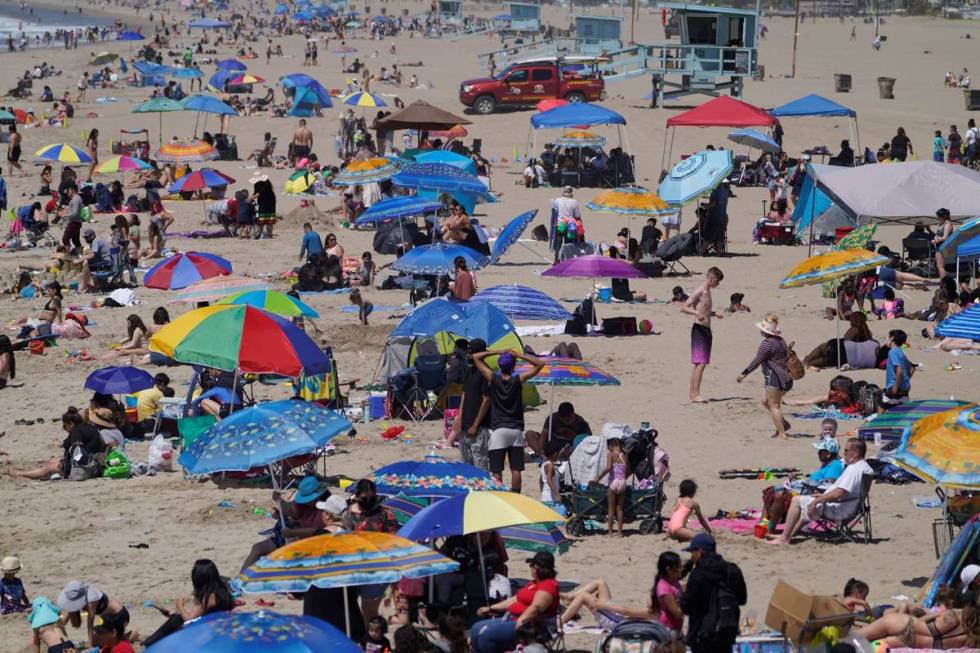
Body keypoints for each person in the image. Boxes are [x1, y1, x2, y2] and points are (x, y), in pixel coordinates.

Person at [769, 438, 873, 545]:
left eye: (846, 451)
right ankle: (788, 534)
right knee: (806, 500)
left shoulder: (854, 470)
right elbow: (843, 492)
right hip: (848, 505)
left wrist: (817, 501)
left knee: (796, 500)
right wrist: (822, 496)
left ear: (855, 453)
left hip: (839, 509)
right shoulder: (865, 468)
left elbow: (839, 493)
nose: (844, 453)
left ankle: (784, 539)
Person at [472, 349, 545, 493]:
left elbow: (476, 357)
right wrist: (519, 355)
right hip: (515, 429)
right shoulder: (518, 379)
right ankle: (516, 495)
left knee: (497, 469)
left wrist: (497, 351)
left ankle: (499, 495)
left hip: (499, 429)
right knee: (516, 469)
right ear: (513, 367)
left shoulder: (493, 379)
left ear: (500, 367)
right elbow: (540, 364)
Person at [470, 552, 559, 653]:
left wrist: (520, 621)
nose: (530, 569)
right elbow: (514, 599)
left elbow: (536, 607)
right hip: (512, 618)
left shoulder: (548, 585)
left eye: (531, 566)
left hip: (531, 626)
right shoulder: (533, 583)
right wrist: (491, 608)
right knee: (476, 628)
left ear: (536, 567)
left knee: (486, 634)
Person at [240, 475, 331, 571]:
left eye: (308, 498)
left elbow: (319, 532)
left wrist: (293, 533)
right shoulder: (303, 505)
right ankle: (239, 581)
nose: (306, 501)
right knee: (257, 548)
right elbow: (290, 509)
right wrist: (278, 502)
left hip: (314, 545)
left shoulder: (327, 507)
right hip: (296, 539)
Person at [342, 479, 399, 621]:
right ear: (357, 496)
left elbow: (394, 543)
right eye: (364, 497)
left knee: (369, 611)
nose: (368, 500)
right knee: (349, 610)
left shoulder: (385, 514)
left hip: (377, 569)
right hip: (352, 568)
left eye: (371, 497)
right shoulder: (348, 514)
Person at [680, 534, 746, 653]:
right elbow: (742, 599)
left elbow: (687, 608)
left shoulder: (698, 574)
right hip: (726, 631)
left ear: (700, 551)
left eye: (692, 552)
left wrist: (682, 594)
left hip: (702, 635)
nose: (692, 556)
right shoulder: (733, 569)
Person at [762, 436, 845, 526]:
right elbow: (817, 480)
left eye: (821, 451)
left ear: (828, 454)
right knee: (773, 491)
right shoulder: (826, 465)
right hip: (805, 491)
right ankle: (762, 524)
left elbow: (828, 486)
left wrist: (805, 483)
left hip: (812, 496)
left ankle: (769, 527)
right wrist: (799, 479)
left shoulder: (835, 466)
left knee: (779, 495)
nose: (818, 453)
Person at [6, 410, 106, 481]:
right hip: (95, 462)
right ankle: (36, 473)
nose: (64, 428)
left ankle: (19, 473)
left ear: (71, 424)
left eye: (64, 426)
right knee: (51, 461)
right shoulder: (87, 427)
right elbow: (69, 444)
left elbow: (77, 452)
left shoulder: (77, 433)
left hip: (86, 467)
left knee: (48, 467)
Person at [737, 315, 793, 439]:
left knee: (774, 406)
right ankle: (784, 424)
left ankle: (782, 433)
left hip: (775, 377)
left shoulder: (767, 344)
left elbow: (757, 361)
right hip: (786, 378)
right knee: (765, 400)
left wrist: (744, 373)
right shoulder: (781, 340)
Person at [682, 266, 724, 403]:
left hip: (706, 329)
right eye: (717, 281)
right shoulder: (700, 291)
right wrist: (696, 313)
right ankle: (695, 394)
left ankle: (693, 394)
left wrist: (714, 314)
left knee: (700, 364)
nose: (718, 284)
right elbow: (683, 307)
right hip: (699, 329)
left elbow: (704, 310)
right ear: (711, 279)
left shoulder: (708, 292)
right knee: (700, 363)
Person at [450, 338, 491, 471]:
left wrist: (475, 424)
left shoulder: (486, 373)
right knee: (466, 465)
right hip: (465, 424)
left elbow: (486, 400)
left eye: (470, 352)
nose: (467, 355)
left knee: (480, 465)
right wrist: (459, 417)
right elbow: (465, 394)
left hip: (479, 426)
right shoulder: (469, 371)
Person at [853, 606, 980, 649]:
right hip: (911, 642)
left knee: (854, 637)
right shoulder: (968, 639)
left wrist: (927, 616)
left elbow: (917, 625)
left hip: (905, 625)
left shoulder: (951, 617)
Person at [55, 580, 128, 648]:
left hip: (120, 616)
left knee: (102, 641)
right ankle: (120, 637)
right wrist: (54, 627)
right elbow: (64, 621)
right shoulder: (77, 597)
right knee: (98, 636)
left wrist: (91, 646)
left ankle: (130, 636)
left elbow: (90, 625)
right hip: (108, 618)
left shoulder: (91, 599)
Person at [524, 401, 591, 458]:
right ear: (559, 416)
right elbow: (543, 435)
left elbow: (587, 441)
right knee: (529, 434)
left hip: (568, 446)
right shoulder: (553, 419)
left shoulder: (580, 422)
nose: (567, 422)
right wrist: (541, 449)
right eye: (565, 420)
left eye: (569, 419)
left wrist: (569, 433)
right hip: (551, 443)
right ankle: (541, 455)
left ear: (573, 414)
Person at [595, 437, 630, 536]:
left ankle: (610, 532)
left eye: (608, 447)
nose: (608, 449)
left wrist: (599, 477)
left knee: (611, 509)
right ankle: (620, 532)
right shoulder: (625, 456)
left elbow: (609, 468)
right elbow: (627, 471)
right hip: (622, 483)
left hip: (613, 482)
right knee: (619, 509)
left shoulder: (611, 455)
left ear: (612, 446)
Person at [666, 479, 712, 543]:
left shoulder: (677, 500)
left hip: (670, 530)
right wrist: (710, 532)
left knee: (686, 533)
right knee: (700, 537)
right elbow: (702, 521)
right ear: (693, 492)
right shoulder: (693, 504)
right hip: (678, 529)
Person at [550, 186, 581, 262]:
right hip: (570, 226)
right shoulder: (574, 202)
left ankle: (556, 259)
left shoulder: (557, 200)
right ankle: (568, 260)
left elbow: (554, 213)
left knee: (558, 243)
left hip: (560, 224)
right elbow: (577, 216)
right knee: (569, 243)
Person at [883, 329, 914, 405]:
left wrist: (895, 388)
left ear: (892, 338)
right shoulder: (901, 353)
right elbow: (912, 369)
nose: (886, 339)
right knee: (901, 410)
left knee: (881, 405)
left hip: (895, 387)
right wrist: (905, 380)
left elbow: (899, 370)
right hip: (905, 388)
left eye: (888, 337)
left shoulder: (892, 352)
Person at [539, 440, 566, 515]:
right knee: (558, 520)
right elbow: (549, 479)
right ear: (555, 453)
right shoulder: (550, 465)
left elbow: (542, 481)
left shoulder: (545, 463)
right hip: (550, 499)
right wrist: (557, 494)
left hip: (546, 498)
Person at [251, 173, 276, 239]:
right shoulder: (256, 184)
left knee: (269, 218)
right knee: (261, 218)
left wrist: (251, 198)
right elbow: (256, 192)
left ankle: (269, 234)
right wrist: (251, 197)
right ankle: (260, 233)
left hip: (269, 201)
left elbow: (260, 193)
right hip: (262, 202)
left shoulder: (266, 183)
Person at [60, 185, 84, 252]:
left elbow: (75, 213)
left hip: (74, 222)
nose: (68, 192)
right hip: (76, 222)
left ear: (72, 190)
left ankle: (67, 253)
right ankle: (79, 254)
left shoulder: (76, 199)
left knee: (65, 239)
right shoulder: (76, 198)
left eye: (68, 190)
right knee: (76, 240)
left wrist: (65, 215)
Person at [933, 208, 955, 275]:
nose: (938, 218)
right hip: (939, 246)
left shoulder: (947, 224)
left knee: (940, 266)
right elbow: (937, 235)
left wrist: (936, 240)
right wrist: (934, 239)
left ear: (944, 216)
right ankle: (944, 281)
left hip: (943, 247)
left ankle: (944, 281)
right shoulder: (941, 224)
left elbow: (945, 237)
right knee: (939, 266)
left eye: (939, 216)